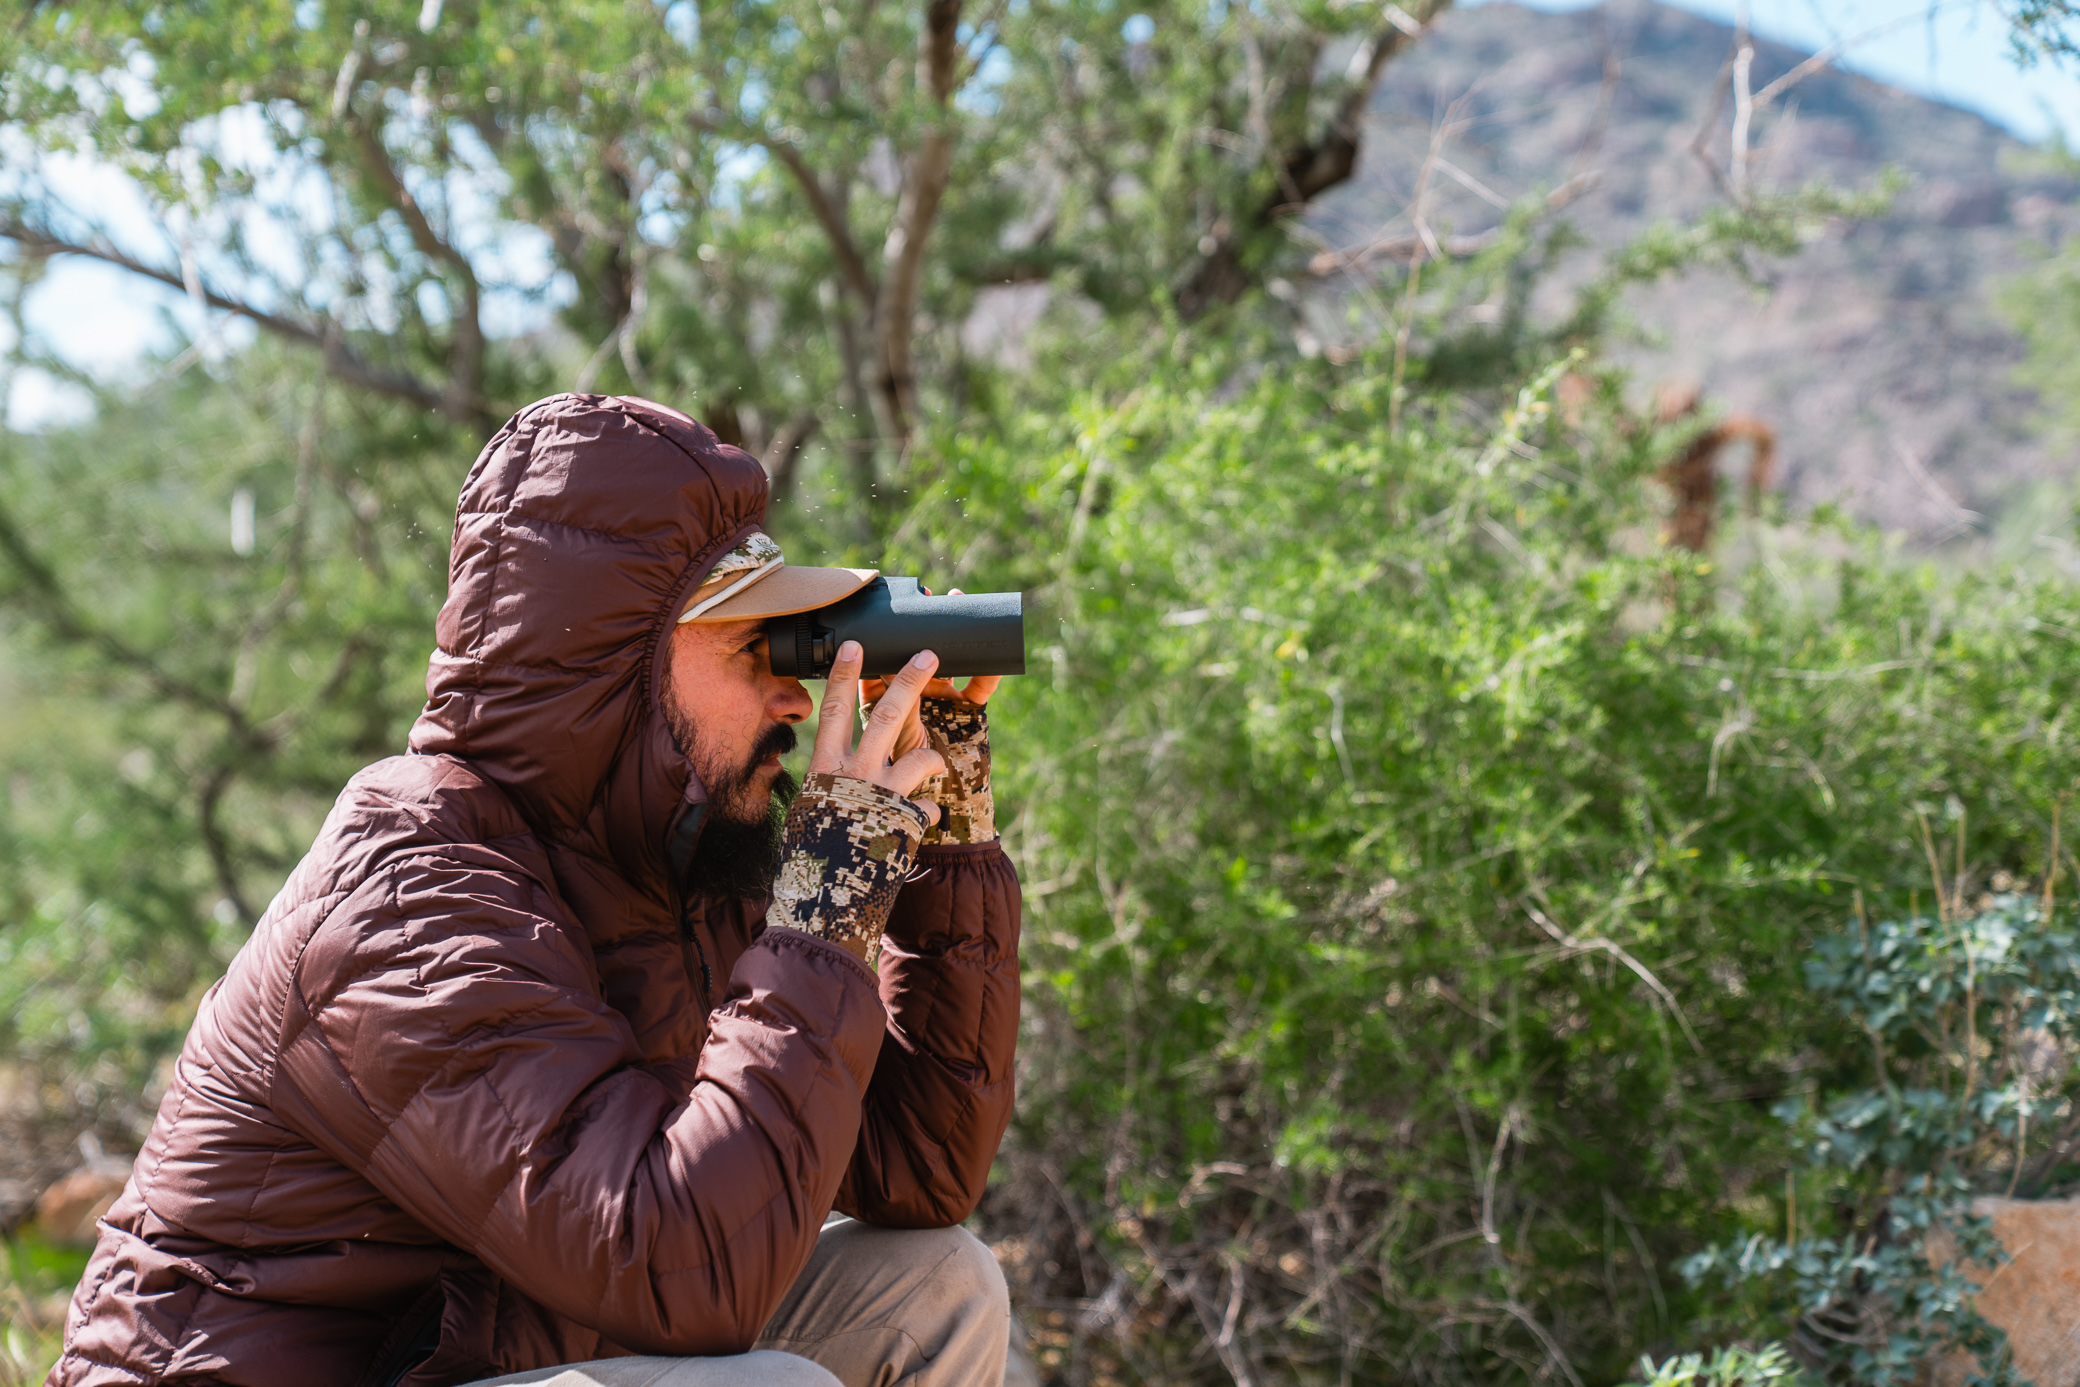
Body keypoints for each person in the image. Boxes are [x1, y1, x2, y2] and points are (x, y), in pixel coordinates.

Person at [47, 394, 1022, 1387]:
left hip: (483, 1360)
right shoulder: (409, 898)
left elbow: (918, 1166)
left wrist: (945, 835)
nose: (793, 694)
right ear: (612, 668)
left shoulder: (679, 865)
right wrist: (822, 903)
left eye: (793, 651)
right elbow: (679, 1270)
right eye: (751, 649)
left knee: (933, 1283)